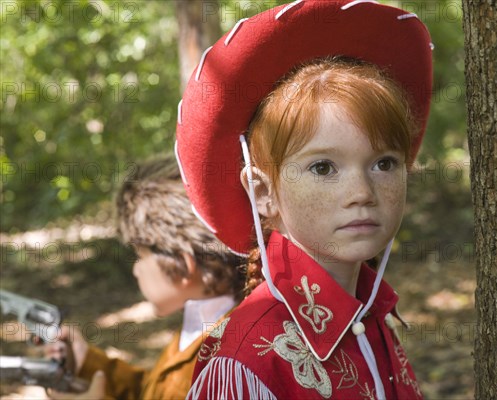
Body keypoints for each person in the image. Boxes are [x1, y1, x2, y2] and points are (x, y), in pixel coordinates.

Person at [175, 1, 433, 398]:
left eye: (383, 163)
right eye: (323, 168)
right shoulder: (245, 359)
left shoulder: (372, 312)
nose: (362, 193)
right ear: (262, 193)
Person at [45, 155, 245, 400]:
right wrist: (88, 361)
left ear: (182, 265)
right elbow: (153, 390)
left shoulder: (225, 362)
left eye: (141, 256)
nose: (136, 269)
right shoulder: (201, 325)